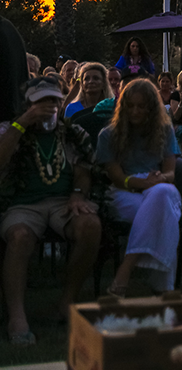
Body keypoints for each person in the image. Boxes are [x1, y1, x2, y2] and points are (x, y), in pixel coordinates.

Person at [0, 79, 101, 346]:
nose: (49, 106)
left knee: (90, 225)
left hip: (62, 202)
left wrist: (78, 192)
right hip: (21, 203)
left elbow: (84, 167)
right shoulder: (10, 129)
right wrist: (23, 122)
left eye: (53, 101)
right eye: (41, 101)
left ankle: (67, 301)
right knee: (20, 236)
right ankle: (17, 316)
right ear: (29, 105)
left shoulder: (72, 132)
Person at [96, 79, 182, 296]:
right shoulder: (108, 135)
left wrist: (160, 177)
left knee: (161, 195)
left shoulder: (163, 131)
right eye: (131, 106)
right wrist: (140, 183)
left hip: (158, 185)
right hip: (124, 190)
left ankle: (125, 270)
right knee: (164, 214)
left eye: (141, 106)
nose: (135, 111)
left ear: (151, 108)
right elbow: (116, 177)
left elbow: (172, 173)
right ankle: (164, 286)